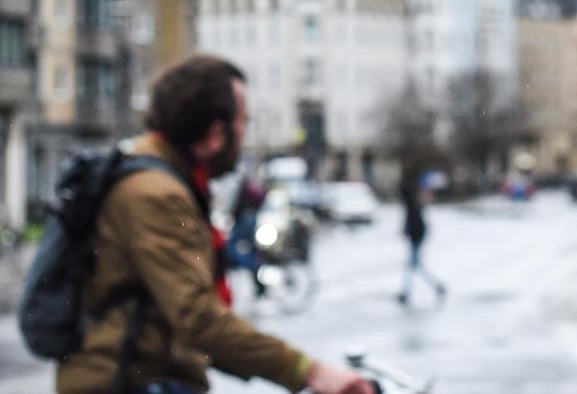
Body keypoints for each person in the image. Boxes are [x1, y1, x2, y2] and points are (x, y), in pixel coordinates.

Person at [57, 55, 373, 394]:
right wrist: (307, 371)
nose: (244, 135)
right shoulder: (156, 193)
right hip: (128, 383)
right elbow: (197, 317)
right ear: (216, 134)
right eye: (243, 123)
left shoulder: (162, 177)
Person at [396, 173, 446, 306]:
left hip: (417, 237)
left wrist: (408, 233)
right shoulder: (413, 204)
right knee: (414, 266)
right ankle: (434, 286)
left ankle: (408, 292)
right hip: (417, 237)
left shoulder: (411, 205)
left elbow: (414, 223)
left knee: (413, 266)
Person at [226, 176, 267, 297]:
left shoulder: (238, 186)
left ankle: (253, 266)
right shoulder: (247, 185)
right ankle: (258, 280)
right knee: (253, 249)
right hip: (251, 217)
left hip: (246, 218)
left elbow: (235, 205)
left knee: (231, 247)